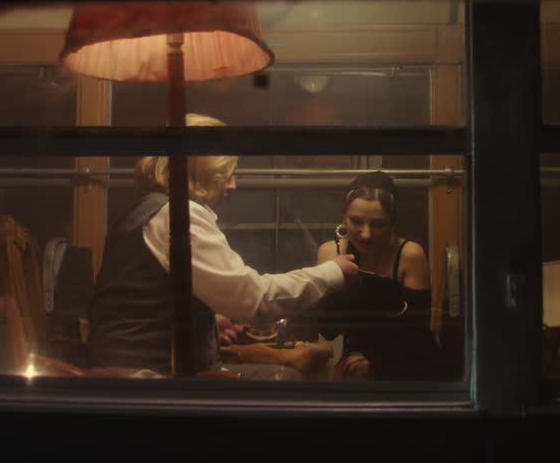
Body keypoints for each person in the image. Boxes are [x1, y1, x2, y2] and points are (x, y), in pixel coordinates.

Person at [85, 113, 359, 376]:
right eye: (226, 175)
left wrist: (209, 326)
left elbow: (147, 307)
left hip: (125, 366)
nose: (233, 186)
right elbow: (258, 300)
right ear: (202, 173)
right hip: (146, 378)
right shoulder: (178, 215)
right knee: (285, 382)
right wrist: (332, 272)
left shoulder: (149, 208)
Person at [315, 171, 442, 380]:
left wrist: (370, 362)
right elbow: (327, 328)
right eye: (356, 221)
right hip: (357, 359)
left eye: (378, 224)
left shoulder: (410, 254)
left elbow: (417, 334)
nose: (366, 234)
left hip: (411, 364)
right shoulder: (330, 252)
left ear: (392, 223)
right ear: (344, 218)